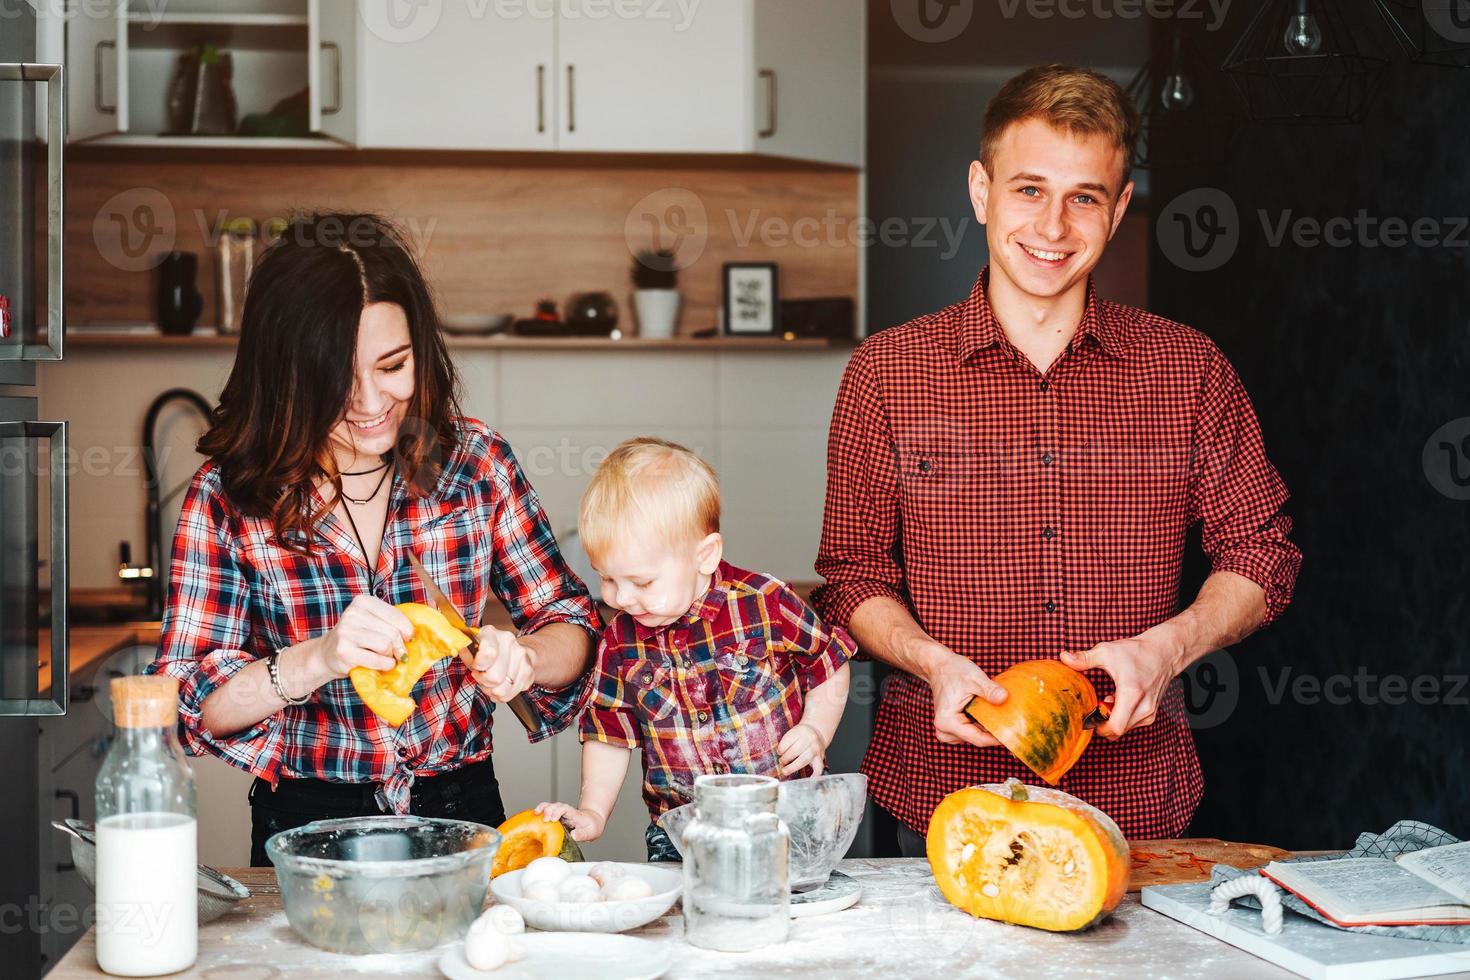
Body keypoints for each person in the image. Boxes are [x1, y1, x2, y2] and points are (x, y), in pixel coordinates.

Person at [813, 65, 1303, 852]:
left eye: (1084, 197)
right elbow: (854, 576)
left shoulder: (1190, 369)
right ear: (981, 190)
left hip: (1134, 799)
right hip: (943, 794)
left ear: (1118, 210)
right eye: (1029, 189)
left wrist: (1167, 647)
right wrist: (931, 662)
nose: (1053, 226)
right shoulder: (886, 372)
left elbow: (1262, 553)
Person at [147, 212, 599, 865]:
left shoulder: (476, 464)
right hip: (306, 825)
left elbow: (572, 625)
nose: (368, 402)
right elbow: (186, 705)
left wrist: (526, 658)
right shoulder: (227, 498)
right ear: (286, 373)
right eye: (336, 379)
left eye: (392, 366)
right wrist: (317, 659)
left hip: (463, 810)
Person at [536, 438, 854, 860]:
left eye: (642, 582)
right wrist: (593, 812)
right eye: (607, 580)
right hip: (683, 838)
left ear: (705, 556)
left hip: (788, 823)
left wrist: (816, 729)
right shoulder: (619, 643)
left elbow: (830, 662)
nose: (621, 599)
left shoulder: (765, 602)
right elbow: (608, 735)